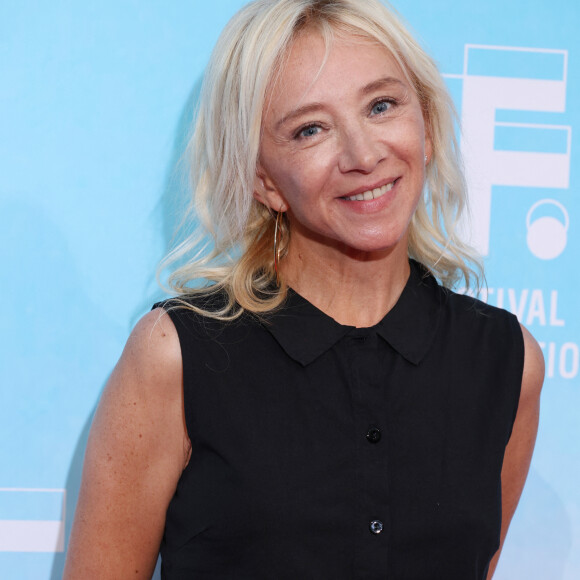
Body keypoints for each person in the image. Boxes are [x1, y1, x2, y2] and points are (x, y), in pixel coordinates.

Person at [63, 0, 544, 578]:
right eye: (310, 129)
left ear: (428, 127)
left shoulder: (505, 361)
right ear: (263, 179)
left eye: (382, 105)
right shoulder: (178, 356)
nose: (363, 155)